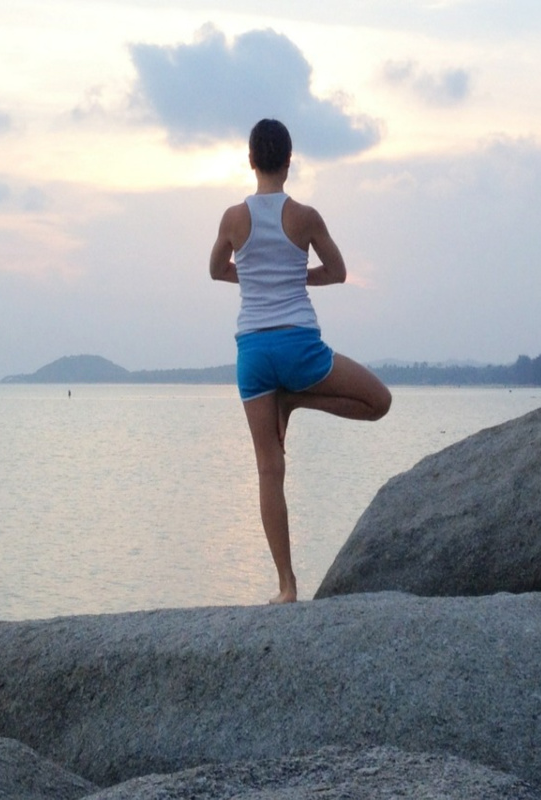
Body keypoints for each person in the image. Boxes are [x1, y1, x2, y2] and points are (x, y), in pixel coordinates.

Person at [209, 118, 391, 604]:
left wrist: (253, 278)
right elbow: (338, 272)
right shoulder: (305, 216)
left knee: (269, 471)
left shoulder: (232, 218)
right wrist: (293, 279)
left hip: (252, 353)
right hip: (300, 347)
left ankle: (287, 586)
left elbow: (215, 270)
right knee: (380, 402)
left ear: (250, 160)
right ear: (289, 161)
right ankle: (298, 400)